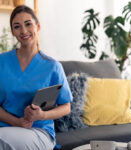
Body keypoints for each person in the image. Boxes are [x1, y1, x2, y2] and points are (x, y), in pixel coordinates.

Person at [0, 5, 72, 150]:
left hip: (38, 132)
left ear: (37, 26)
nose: (24, 31)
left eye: (28, 24)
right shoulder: (2, 62)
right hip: (5, 129)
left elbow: (66, 107)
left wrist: (42, 115)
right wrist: (17, 122)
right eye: (17, 26)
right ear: (13, 32)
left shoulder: (52, 66)